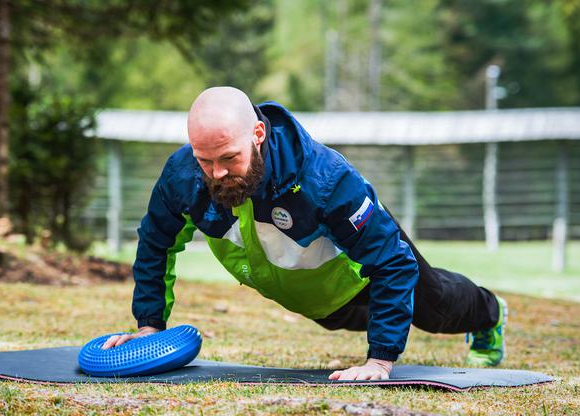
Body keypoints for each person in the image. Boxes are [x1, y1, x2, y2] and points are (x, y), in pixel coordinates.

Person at [103, 86, 507, 381]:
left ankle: (490, 313)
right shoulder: (182, 176)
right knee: (343, 320)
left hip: (361, 267)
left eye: (229, 158)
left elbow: (392, 264)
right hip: (315, 298)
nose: (217, 173)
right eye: (204, 160)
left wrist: (379, 362)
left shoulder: (324, 179)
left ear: (258, 135)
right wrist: (149, 326)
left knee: (431, 306)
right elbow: (155, 243)